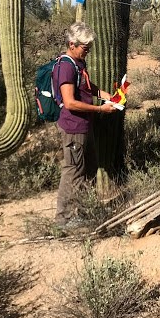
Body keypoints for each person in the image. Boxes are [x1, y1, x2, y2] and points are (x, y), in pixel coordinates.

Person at [54, 22, 115, 226]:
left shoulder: (79, 63)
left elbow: (87, 87)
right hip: (73, 128)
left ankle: (83, 211)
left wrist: (103, 95)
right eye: (84, 47)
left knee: (88, 169)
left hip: (84, 126)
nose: (87, 51)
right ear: (72, 44)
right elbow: (70, 102)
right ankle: (64, 218)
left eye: (89, 47)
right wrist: (100, 109)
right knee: (72, 172)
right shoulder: (66, 66)